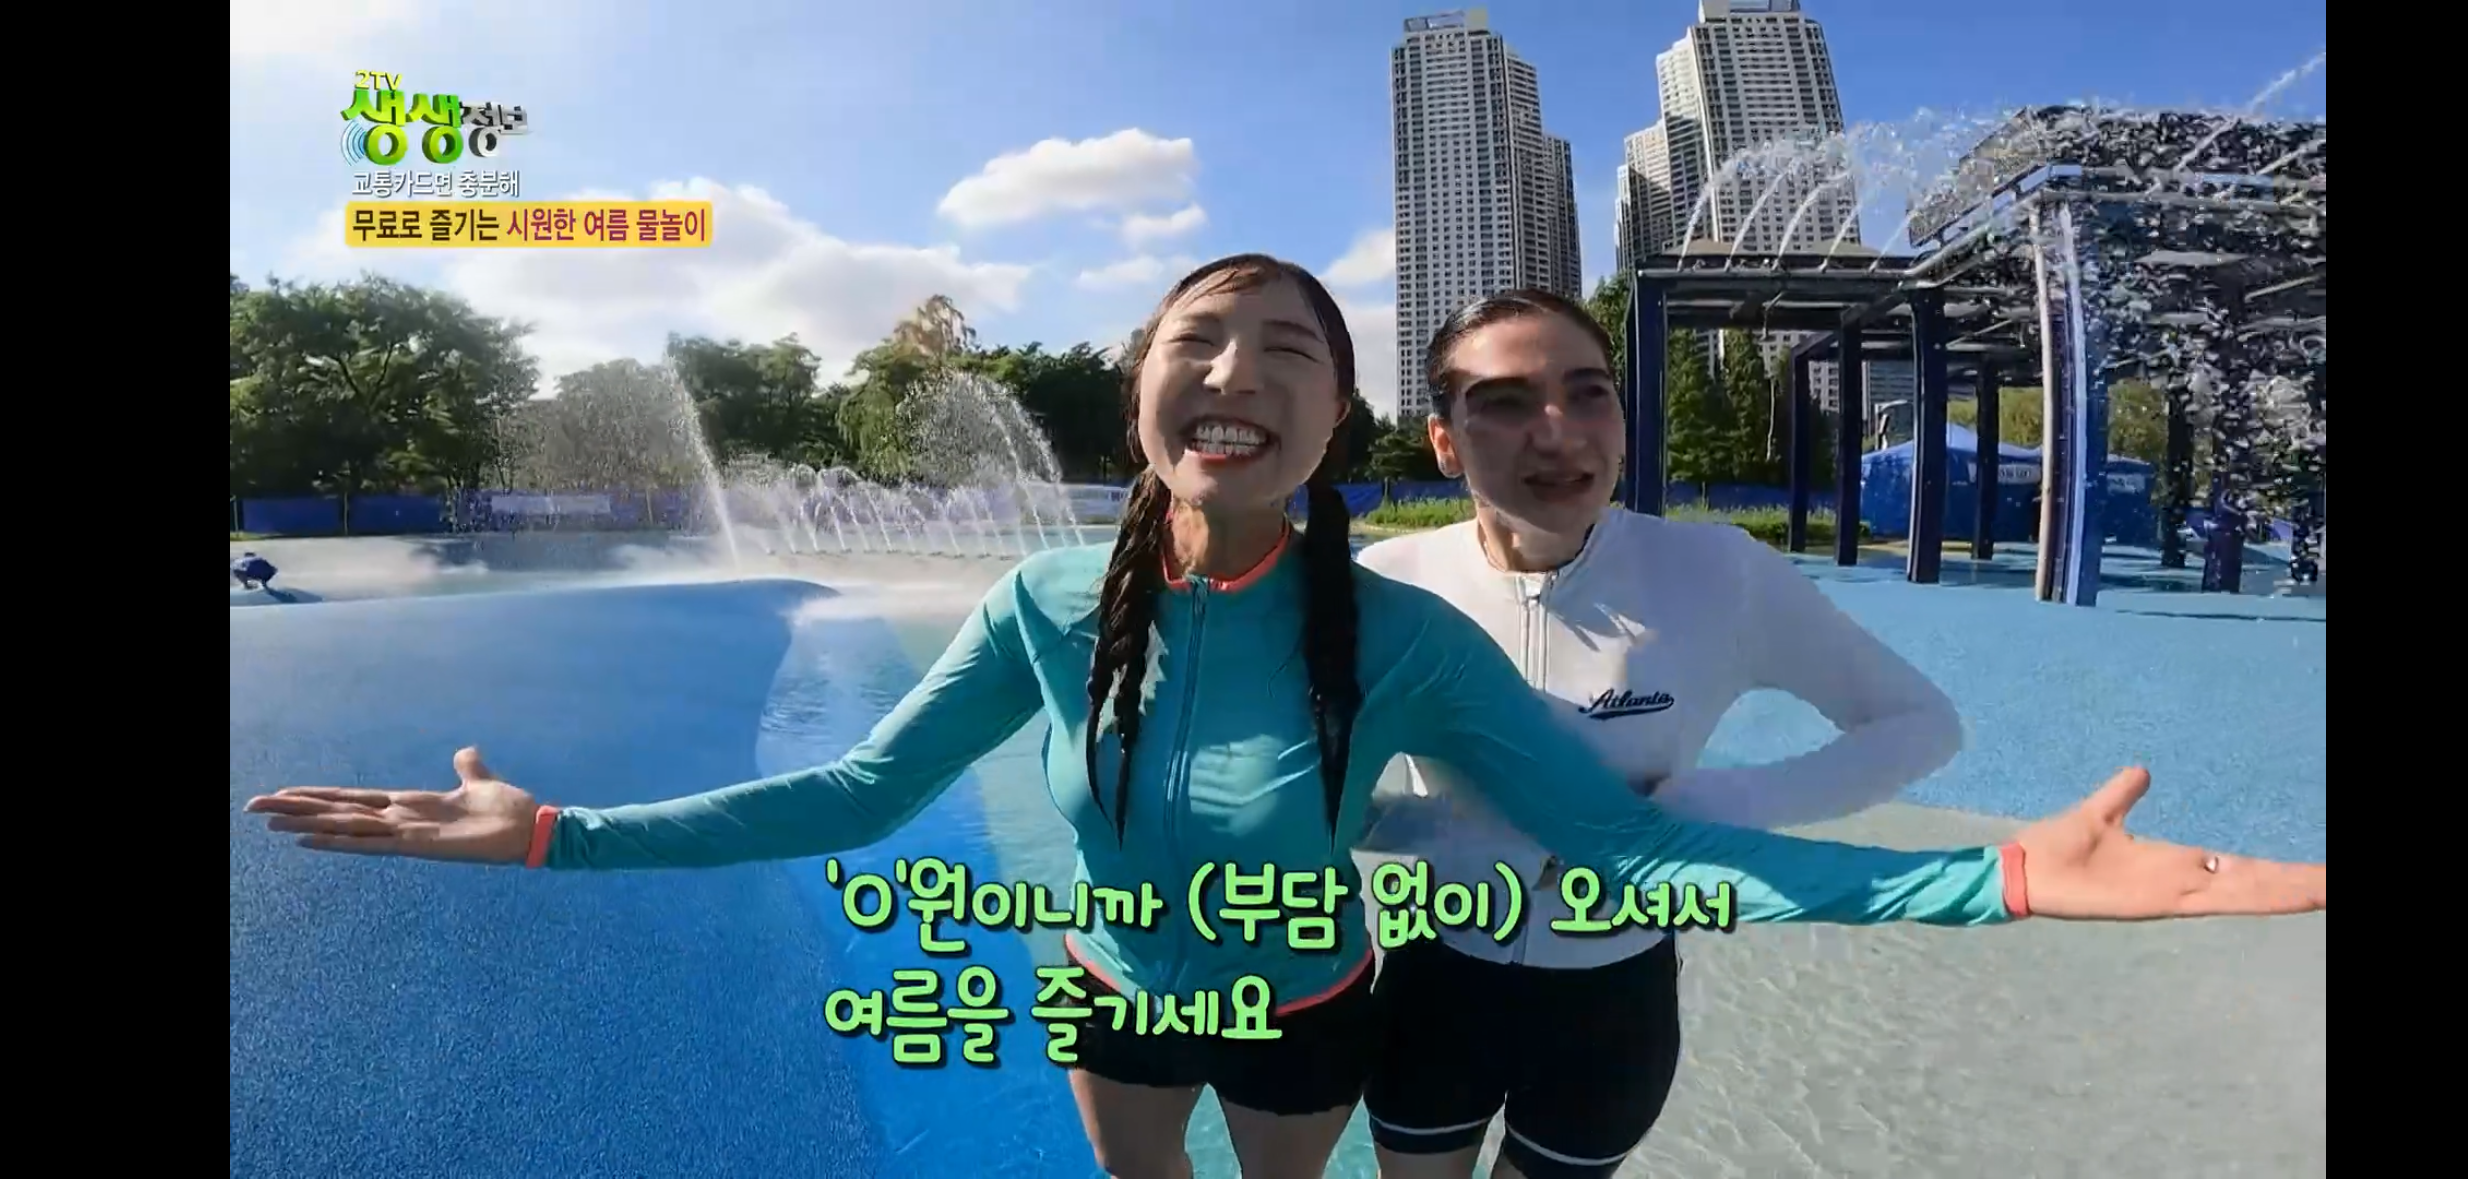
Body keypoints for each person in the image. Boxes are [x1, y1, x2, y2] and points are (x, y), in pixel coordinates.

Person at [243, 254, 2326, 1179]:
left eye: (1286, 350)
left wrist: (1988, 881)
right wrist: (555, 832)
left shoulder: (1396, 630)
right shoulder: (1045, 601)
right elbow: (862, 789)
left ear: (1339, 428)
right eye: (1197, 338)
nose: (1233, 371)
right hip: (1108, 991)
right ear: (1142, 388)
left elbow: (1629, 845)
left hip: (1317, 1004)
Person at [1355, 289, 1964, 1179]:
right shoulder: (1389, 580)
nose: (1558, 433)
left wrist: (1714, 804)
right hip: (1432, 981)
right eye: (1507, 402)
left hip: (1611, 1007)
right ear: (1444, 441)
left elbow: (1921, 723)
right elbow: (1306, 773)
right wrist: (1428, 829)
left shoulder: (1717, 572)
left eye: (1588, 393)